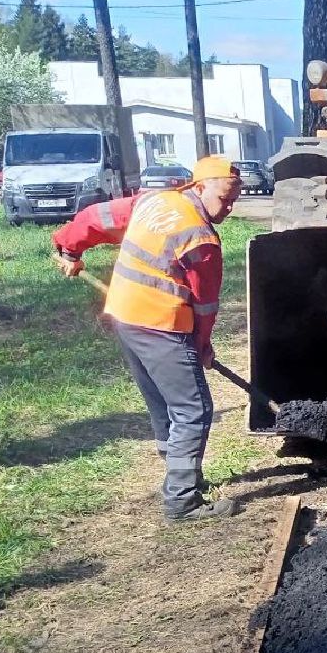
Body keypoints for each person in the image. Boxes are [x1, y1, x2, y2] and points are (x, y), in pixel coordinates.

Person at [53, 155, 242, 521]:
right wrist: (202, 344)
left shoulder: (155, 201)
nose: (229, 207)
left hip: (125, 315)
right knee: (193, 409)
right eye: (224, 197)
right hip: (160, 325)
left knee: (164, 403)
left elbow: (96, 219)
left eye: (236, 198)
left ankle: (179, 476)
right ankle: (182, 500)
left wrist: (69, 247)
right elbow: (204, 306)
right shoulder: (200, 239)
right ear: (199, 187)